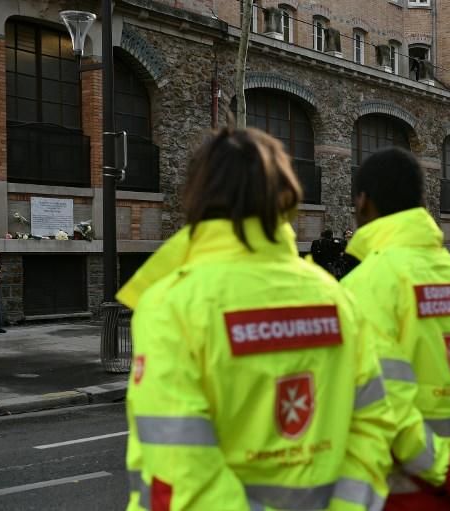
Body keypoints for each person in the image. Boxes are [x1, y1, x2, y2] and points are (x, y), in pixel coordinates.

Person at [119, 127, 396, 511]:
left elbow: (178, 467)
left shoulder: (173, 303)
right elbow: (373, 425)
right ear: (285, 196)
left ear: (199, 195)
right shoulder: (334, 297)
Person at [341, 147, 450, 510]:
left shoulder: (364, 285)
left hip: (394, 493)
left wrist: (446, 469)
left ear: (362, 203)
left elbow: (383, 401)